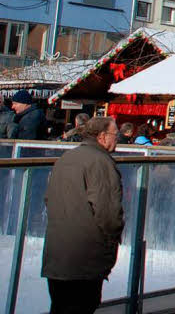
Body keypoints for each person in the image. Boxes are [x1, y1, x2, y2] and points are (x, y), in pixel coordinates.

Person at [41, 116, 124, 314]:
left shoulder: (66, 158)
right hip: (86, 255)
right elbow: (108, 213)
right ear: (102, 137)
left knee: (60, 305)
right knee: (82, 305)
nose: (117, 139)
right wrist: (112, 239)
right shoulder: (101, 162)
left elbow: (48, 200)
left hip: (58, 251)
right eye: (115, 134)